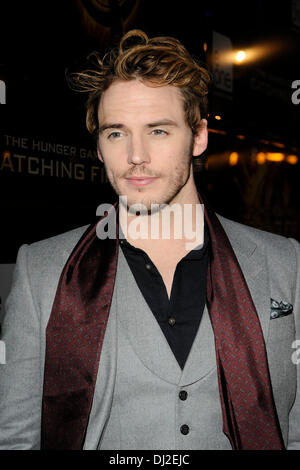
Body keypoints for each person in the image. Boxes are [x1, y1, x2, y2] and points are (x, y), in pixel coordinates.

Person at [0, 29, 299, 451]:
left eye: (158, 131)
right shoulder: (43, 270)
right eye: (116, 133)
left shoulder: (286, 262)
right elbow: (15, 437)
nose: (136, 154)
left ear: (198, 137)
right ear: (100, 147)